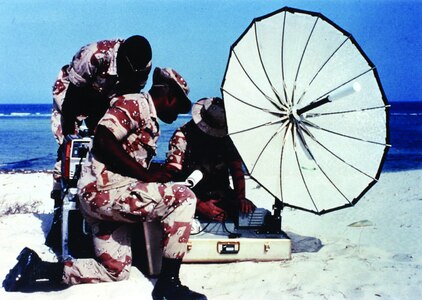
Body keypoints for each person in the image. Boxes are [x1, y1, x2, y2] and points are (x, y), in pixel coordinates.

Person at [3, 67, 207, 300]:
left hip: (105, 200)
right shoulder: (136, 104)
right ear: (169, 96)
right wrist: (147, 175)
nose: (176, 115)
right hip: (104, 194)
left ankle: (39, 269)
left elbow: (123, 158)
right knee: (183, 197)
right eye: (176, 107)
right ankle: (169, 284)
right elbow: (102, 139)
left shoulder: (147, 116)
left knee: (116, 270)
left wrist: (154, 172)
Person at [46, 35, 153, 251]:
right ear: (121, 59)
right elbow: (71, 101)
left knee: (103, 151)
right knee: (70, 155)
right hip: (73, 93)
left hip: (106, 99)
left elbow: (128, 102)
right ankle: (60, 212)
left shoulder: (143, 65)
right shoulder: (94, 55)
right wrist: (69, 138)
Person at [166, 97, 255, 222]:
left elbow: (236, 168)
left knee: (249, 216)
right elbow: (173, 180)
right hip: (190, 198)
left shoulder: (225, 137)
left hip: (221, 195)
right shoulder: (182, 136)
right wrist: (199, 205)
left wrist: (241, 198)